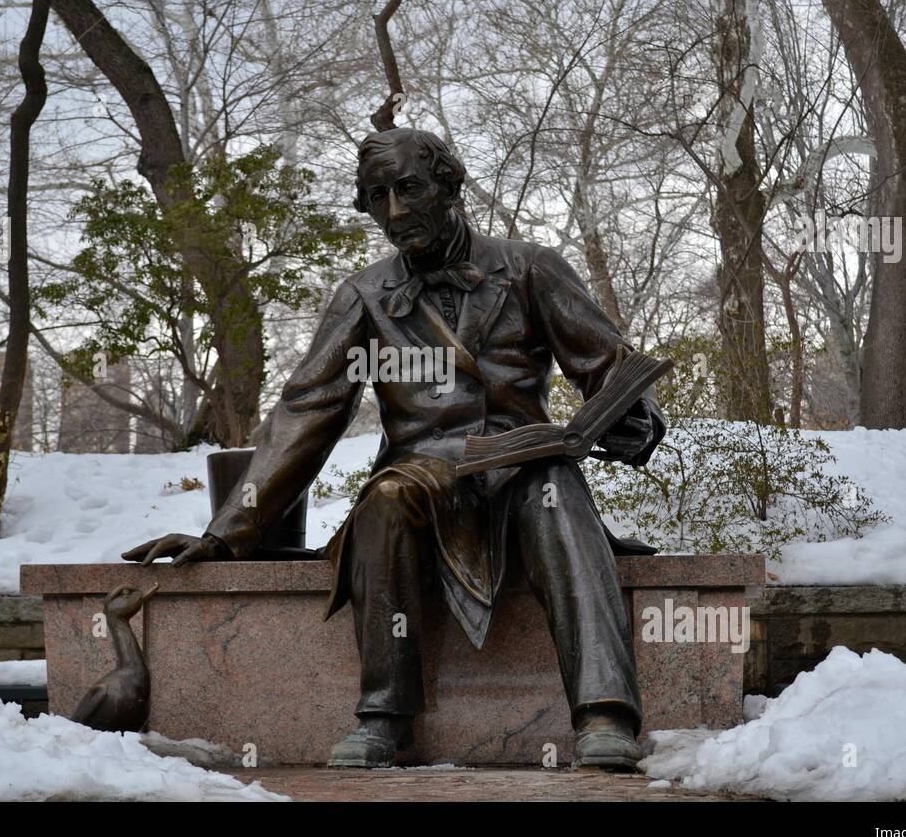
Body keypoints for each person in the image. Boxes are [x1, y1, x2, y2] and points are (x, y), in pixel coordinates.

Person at [124, 127, 665, 769]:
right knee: (383, 499)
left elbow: (611, 367)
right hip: (424, 470)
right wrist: (225, 530)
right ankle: (384, 714)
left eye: (409, 189)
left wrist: (635, 419)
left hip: (525, 462)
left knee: (556, 497)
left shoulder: (530, 268)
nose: (396, 211)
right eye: (378, 196)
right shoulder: (364, 296)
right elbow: (307, 410)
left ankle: (604, 713)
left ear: (450, 187)